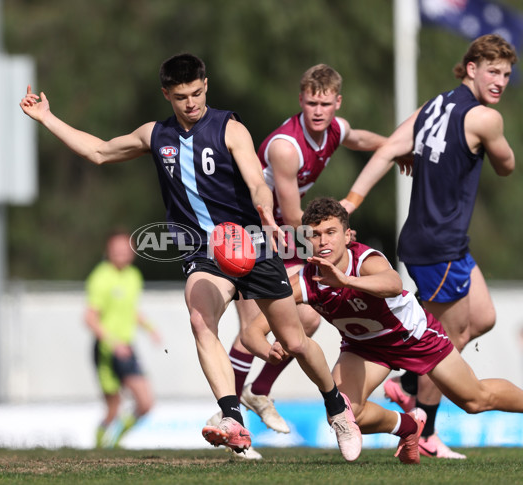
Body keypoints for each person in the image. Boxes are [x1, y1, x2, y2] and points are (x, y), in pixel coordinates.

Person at [20, 53, 361, 460]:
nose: (191, 103)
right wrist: (47, 118)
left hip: (249, 244)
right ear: (166, 93)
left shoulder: (230, 129)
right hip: (203, 252)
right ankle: (231, 416)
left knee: (295, 340)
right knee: (200, 320)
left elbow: (256, 180)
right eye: (181, 96)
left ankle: (337, 408)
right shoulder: (154, 135)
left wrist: (266, 213)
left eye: (197, 93)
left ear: (206, 86)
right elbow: (98, 151)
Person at [339, 34, 517, 459]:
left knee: (483, 317)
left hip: (447, 244)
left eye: (507, 74)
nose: (500, 81)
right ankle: (427, 431)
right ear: (470, 68)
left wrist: (351, 201)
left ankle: (410, 383)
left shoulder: (432, 108)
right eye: (492, 71)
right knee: (442, 343)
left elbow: (387, 152)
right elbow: (507, 165)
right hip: (437, 248)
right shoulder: (485, 119)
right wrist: (496, 148)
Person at [243, 197, 523, 464]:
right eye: (315, 234)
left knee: (474, 400)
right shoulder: (306, 280)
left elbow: (392, 282)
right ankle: (408, 426)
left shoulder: (365, 259)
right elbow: (253, 330)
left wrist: (346, 280)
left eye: (331, 232)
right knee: (342, 415)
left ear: (348, 235)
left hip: (414, 338)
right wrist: (268, 350)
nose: (323, 240)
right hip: (363, 349)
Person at [216, 64, 390, 448]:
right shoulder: (285, 147)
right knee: (254, 330)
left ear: (336, 103)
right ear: (301, 100)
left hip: (282, 236)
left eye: (325, 103)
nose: (317, 110)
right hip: (250, 232)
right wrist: (332, 239)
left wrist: (391, 146)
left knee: (308, 318)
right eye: (311, 102)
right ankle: (229, 417)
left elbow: (356, 136)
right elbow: (295, 218)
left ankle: (258, 392)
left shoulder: (333, 129)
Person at [85, 229, 160, 448]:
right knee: (113, 408)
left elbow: (130, 310)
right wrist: (113, 342)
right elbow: (90, 318)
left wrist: (150, 328)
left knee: (145, 403)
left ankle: (114, 441)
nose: (121, 253)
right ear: (108, 251)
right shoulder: (101, 277)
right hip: (107, 350)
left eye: (125, 249)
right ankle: (100, 446)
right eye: (116, 249)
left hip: (126, 348)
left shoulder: (133, 276)